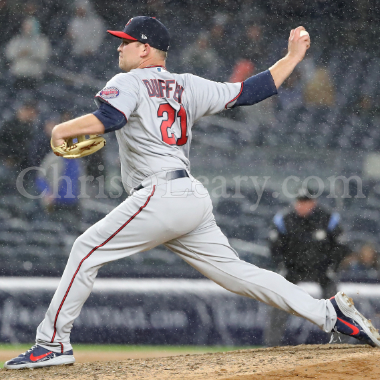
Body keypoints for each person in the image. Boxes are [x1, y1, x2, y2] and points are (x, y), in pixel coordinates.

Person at [5, 17, 380, 370]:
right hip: (190, 196)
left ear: (145, 49)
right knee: (238, 274)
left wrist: (62, 129)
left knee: (86, 249)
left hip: (159, 194)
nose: (120, 49)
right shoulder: (187, 84)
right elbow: (252, 91)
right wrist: (292, 57)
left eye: (126, 43)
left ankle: (52, 343)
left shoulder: (131, 82)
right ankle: (331, 314)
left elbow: (111, 118)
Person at [264, 187, 351, 346]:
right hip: (293, 269)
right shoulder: (285, 218)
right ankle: (272, 343)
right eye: (299, 201)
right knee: (278, 299)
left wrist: (333, 267)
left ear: (313, 203)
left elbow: (342, 246)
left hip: (322, 270)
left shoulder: (327, 217)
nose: (301, 205)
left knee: (337, 302)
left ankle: (341, 343)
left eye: (305, 202)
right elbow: (274, 246)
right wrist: (282, 265)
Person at [5, 16, 51, 90]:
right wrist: (19, 53)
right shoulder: (17, 39)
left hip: (34, 74)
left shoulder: (42, 41)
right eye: (25, 26)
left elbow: (43, 55)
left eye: (29, 26)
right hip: (18, 74)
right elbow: (9, 54)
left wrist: (30, 53)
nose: (26, 28)